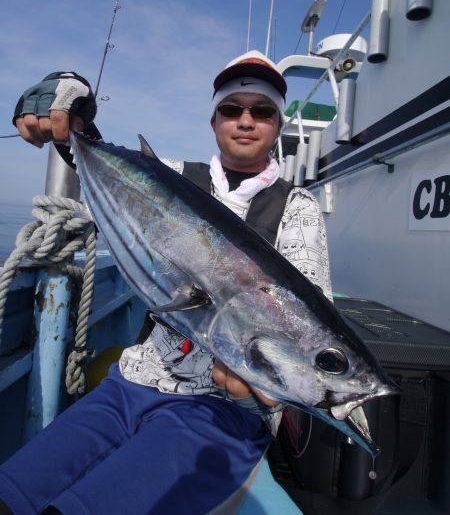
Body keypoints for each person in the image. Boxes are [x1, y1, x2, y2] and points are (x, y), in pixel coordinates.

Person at [0, 51, 332, 515]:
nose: (246, 120)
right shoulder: (172, 176)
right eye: (232, 109)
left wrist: (262, 399)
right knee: (10, 496)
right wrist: (70, 98)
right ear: (214, 118)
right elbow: (91, 160)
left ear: (278, 124)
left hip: (221, 410)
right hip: (131, 381)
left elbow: (306, 329)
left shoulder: (297, 208)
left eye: (262, 111)